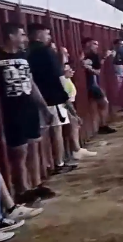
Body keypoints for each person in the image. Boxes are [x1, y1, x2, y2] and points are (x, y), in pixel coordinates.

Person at [0, 22, 56, 205]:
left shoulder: (24, 56)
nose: (25, 38)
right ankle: (22, 190)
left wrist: (43, 107)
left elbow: (31, 84)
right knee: (19, 152)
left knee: (33, 146)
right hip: (11, 110)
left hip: (29, 107)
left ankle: (35, 184)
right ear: (11, 36)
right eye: (21, 34)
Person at [27, 24, 77, 175]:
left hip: (36, 98)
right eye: (46, 34)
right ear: (38, 35)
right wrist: (66, 99)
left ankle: (47, 164)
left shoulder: (27, 52)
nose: (49, 37)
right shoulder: (46, 52)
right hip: (52, 98)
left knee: (42, 134)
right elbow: (58, 77)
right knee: (56, 131)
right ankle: (59, 163)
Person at [82, 38, 116, 135]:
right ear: (88, 44)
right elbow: (97, 71)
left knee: (102, 103)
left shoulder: (92, 55)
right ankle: (103, 125)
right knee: (104, 102)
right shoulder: (91, 55)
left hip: (92, 83)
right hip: (92, 83)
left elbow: (97, 68)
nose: (96, 46)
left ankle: (102, 125)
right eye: (94, 44)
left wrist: (89, 67)